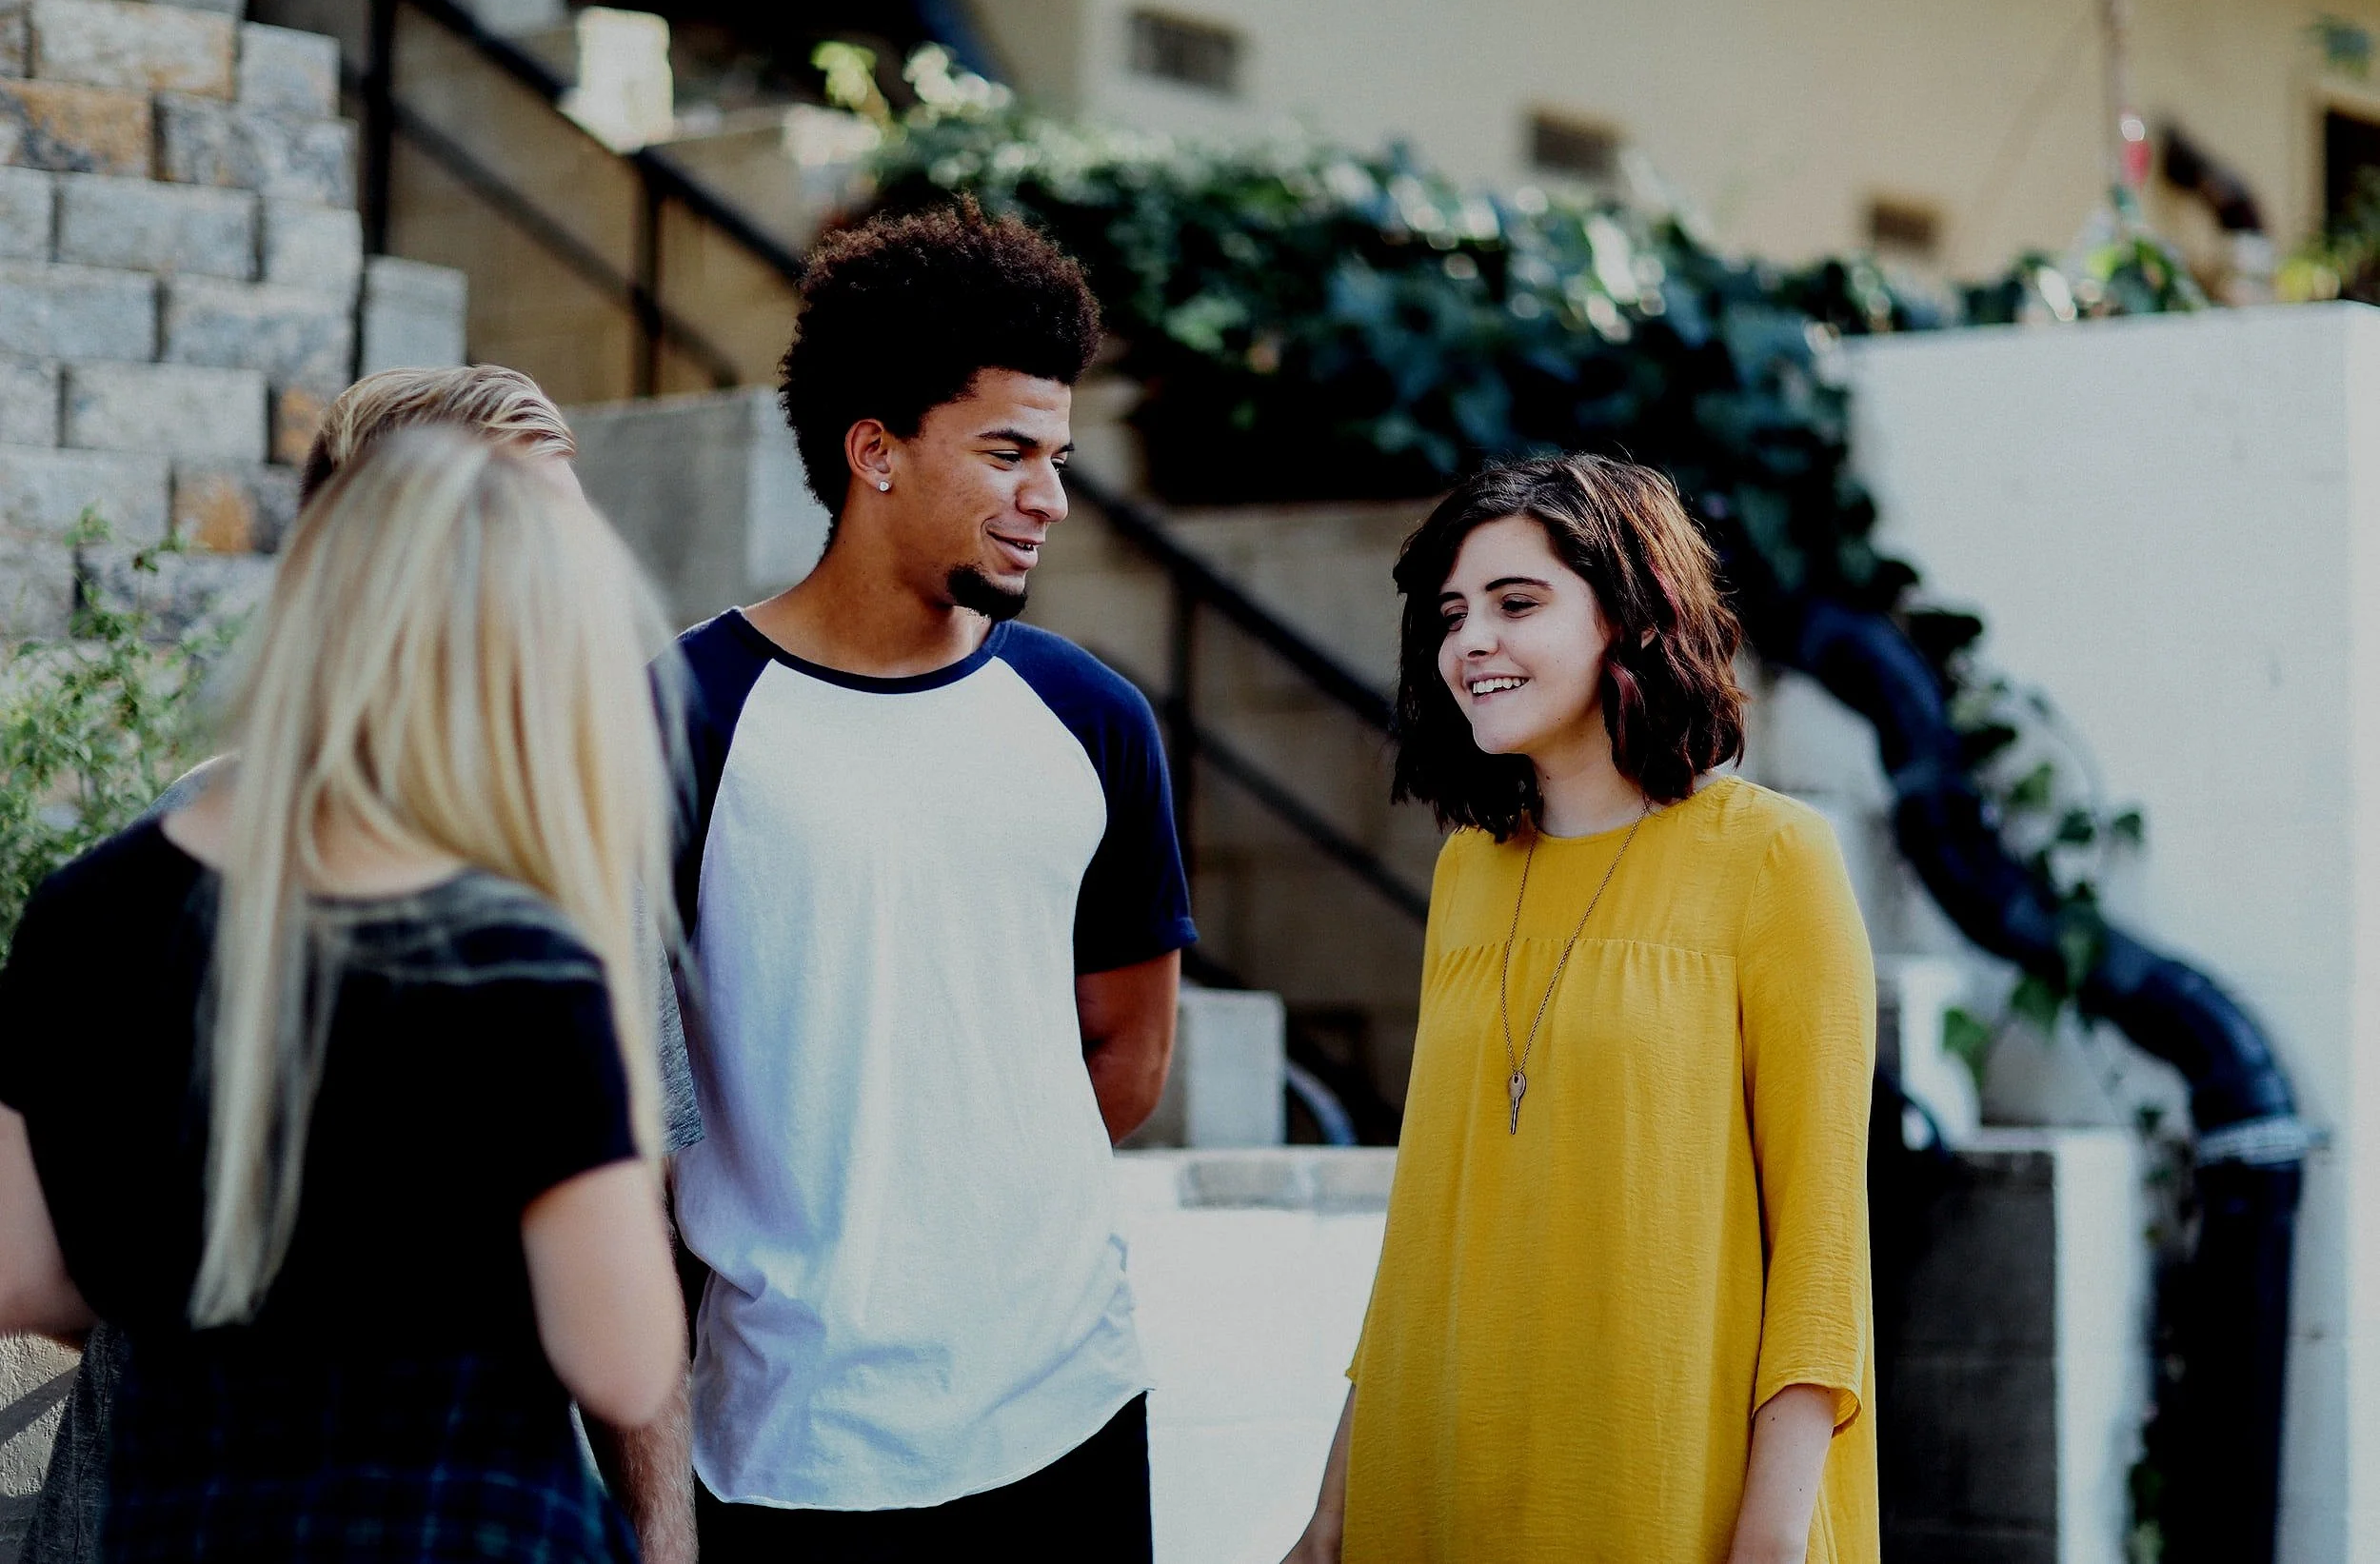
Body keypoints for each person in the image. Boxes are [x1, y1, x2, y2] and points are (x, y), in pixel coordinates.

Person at [13, 364, 703, 1564]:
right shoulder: (538, 919)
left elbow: (26, 1273)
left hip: (184, 1520)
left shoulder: (103, 901)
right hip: (460, 1524)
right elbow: (625, 1350)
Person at [648, 198, 1196, 1561]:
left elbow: (1129, 1055)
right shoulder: (680, 711)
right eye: (1008, 451)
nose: (1049, 498)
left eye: (1057, 457)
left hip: (1064, 1401)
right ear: (874, 449)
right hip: (790, 1436)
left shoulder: (1093, 717)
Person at [1286, 456, 1877, 1564]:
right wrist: (1332, 1514)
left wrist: (1772, 1534)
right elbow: (1425, 1224)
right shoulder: (1466, 870)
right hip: (1438, 1472)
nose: (1471, 642)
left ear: (1631, 619)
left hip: (1662, 1479)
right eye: (1453, 613)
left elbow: (1821, 1245)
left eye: (1518, 603)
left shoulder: (1774, 860)